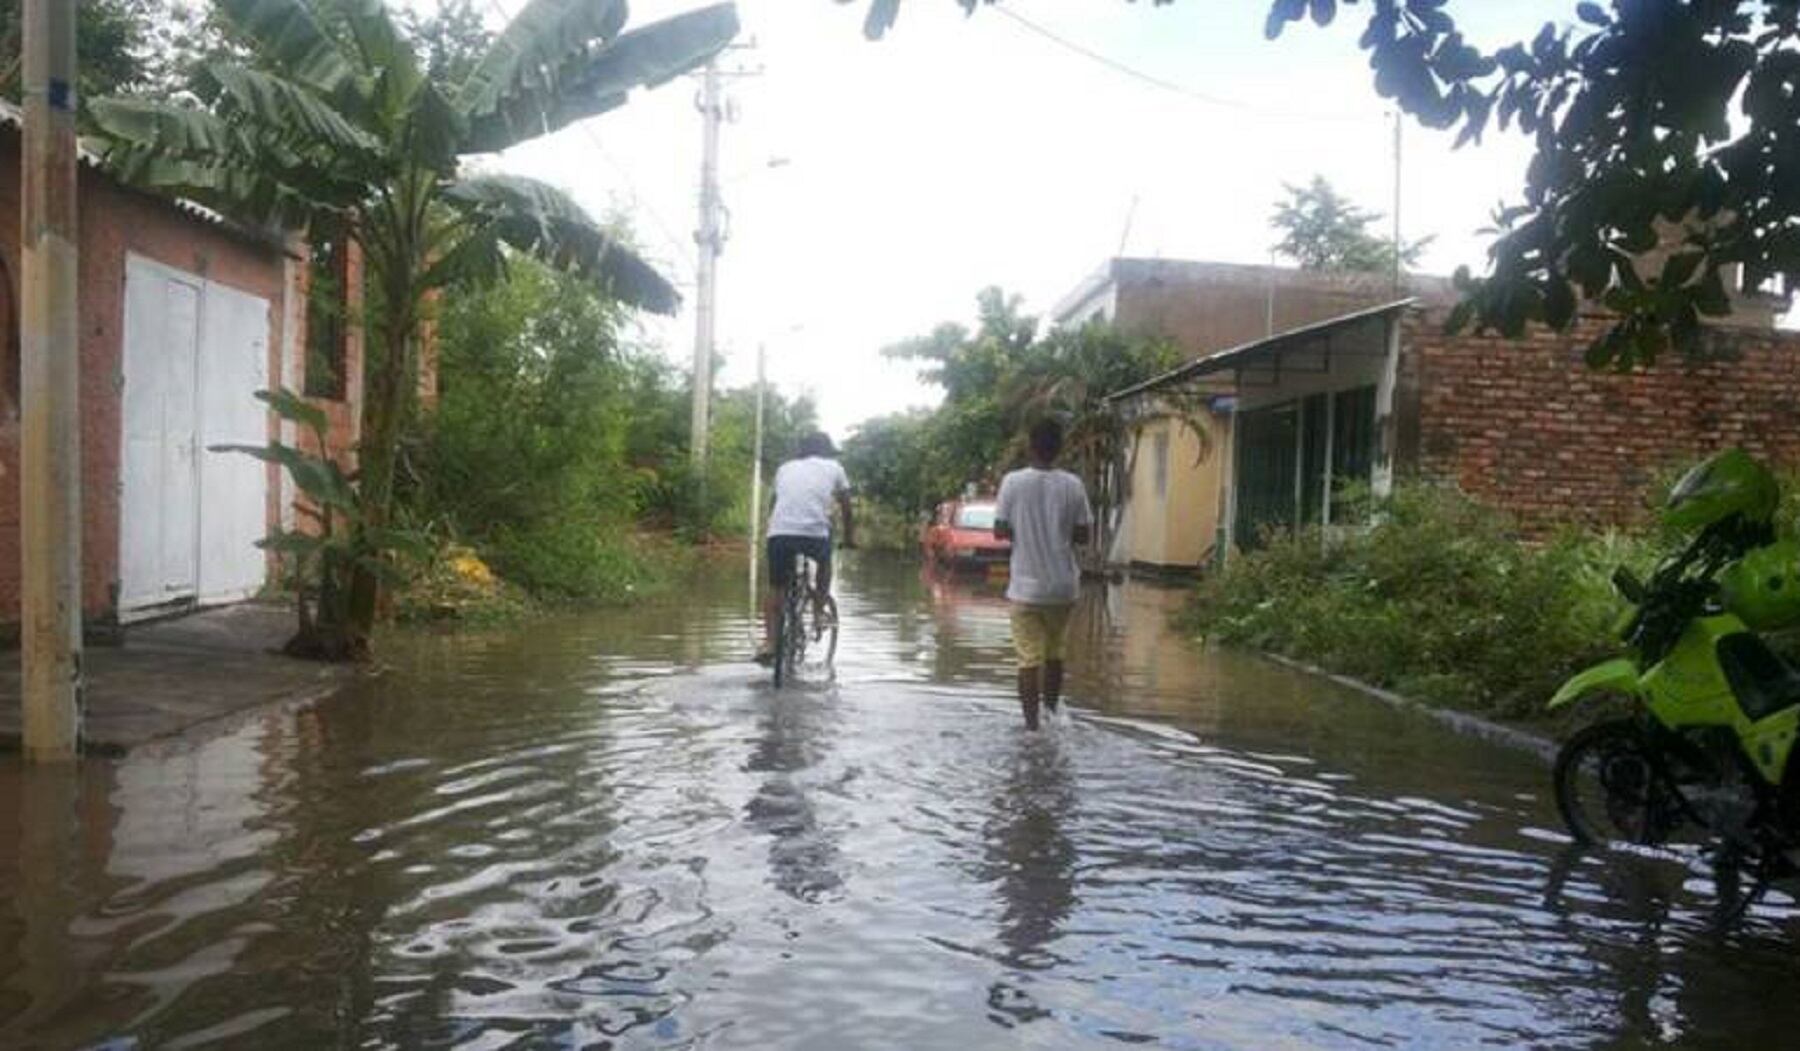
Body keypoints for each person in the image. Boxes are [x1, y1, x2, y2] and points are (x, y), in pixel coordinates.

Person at [994, 418, 1092, 730]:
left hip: (1025, 588)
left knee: (1028, 659)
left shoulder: (1012, 482)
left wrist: (1023, 529)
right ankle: (1051, 716)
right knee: (1055, 653)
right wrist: (1058, 531)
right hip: (1063, 587)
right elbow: (1084, 535)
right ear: (1059, 448)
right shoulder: (1073, 485)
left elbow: (999, 530)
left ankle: (1032, 728)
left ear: (1030, 446)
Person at [757, 431, 855, 665]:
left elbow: (774, 504)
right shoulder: (835, 468)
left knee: (776, 588)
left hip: (779, 532)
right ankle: (819, 612)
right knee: (825, 563)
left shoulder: (785, 468)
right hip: (814, 533)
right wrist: (849, 537)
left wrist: (771, 530)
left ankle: (769, 642)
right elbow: (846, 507)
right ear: (826, 451)